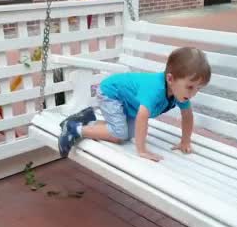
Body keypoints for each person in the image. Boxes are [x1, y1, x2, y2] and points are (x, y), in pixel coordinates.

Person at [58, 46, 211, 162]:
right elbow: (142, 116)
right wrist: (142, 150)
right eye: (190, 87)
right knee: (119, 134)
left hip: (127, 102)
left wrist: (185, 140)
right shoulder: (155, 90)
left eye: (198, 88)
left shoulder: (180, 92)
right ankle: (74, 129)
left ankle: (88, 119)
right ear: (170, 79)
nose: (193, 93)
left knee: (126, 134)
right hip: (111, 93)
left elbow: (187, 115)